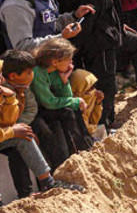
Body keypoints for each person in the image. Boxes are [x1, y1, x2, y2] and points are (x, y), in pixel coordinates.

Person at [0, 51, 84, 199]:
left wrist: (13, 99)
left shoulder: (10, 82)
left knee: (24, 136)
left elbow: (14, 117)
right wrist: (11, 131)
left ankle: (47, 184)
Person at [31, 38, 94, 156]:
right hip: (37, 112)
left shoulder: (55, 71)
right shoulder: (38, 73)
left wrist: (64, 80)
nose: (71, 64)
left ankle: (85, 142)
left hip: (48, 107)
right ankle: (80, 149)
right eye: (68, 60)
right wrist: (75, 101)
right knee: (69, 110)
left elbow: (66, 97)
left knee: (72, 107)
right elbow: (48, 102)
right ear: (55, 62)